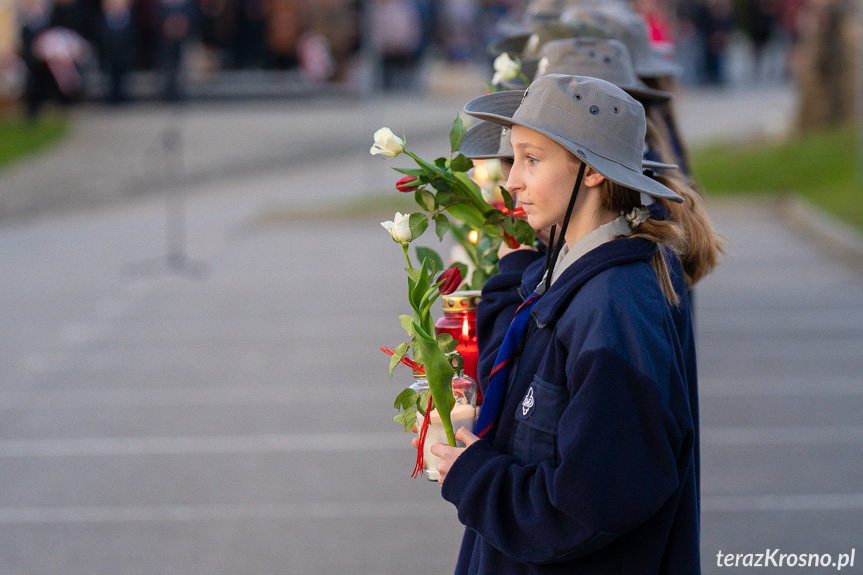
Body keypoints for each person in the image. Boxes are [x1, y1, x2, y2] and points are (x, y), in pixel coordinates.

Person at [419, 74, 701, 574]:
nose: (511, 181)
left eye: (531, 158)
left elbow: (591, 503)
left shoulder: (616, 309)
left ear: (591, 171)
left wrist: (476, 477)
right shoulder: (572, 277)